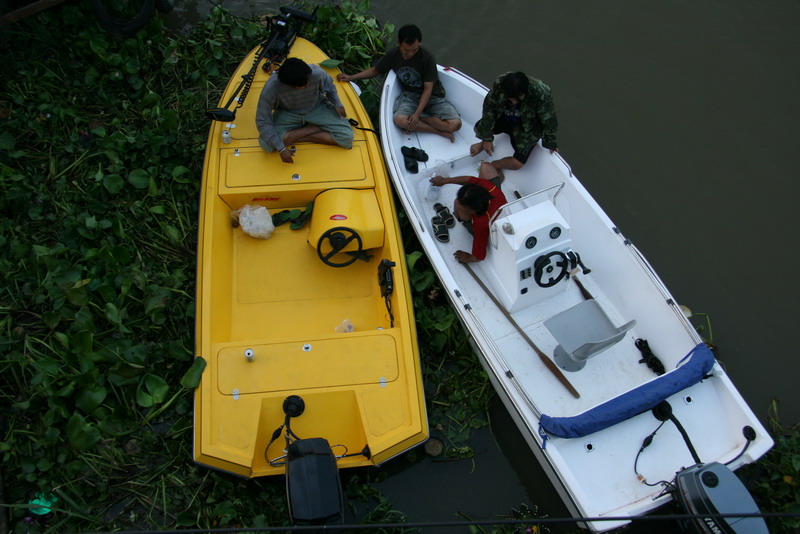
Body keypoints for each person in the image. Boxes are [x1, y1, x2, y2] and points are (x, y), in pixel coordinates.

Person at [337, 24, 461, 141]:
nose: (410, 54)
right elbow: (375, 70)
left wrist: (417, 114)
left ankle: (421, 120)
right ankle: (437, 131)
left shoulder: (427, 57)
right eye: (406, 50)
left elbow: (428, 88)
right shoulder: (393, 55)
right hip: (410, 95)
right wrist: (351, 77)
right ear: (399, 43)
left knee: (455, 124)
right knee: (400, 120)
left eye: (414, 50)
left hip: (431, 96)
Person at [255, 57, 353, 164]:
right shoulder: (271, 88)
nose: (306, 85)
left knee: (347, 137)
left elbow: (330, 88)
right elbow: (263, 121)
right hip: (288, 113)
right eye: (301, 86)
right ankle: (313, 128)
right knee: (265, 144)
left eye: (307, 82)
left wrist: (337, 104)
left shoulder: (317, 73)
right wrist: (281, 149)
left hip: (317, 108)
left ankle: (295, 136)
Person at [470, 71, 559, 171]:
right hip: (504, 116)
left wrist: (551, 142)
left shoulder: (541, 92)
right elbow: (489, 109)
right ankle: (484, 144)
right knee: (478, 128)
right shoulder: (500, 84)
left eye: (516, 99)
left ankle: (494, 165)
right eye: (510, 99)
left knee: (517, 164)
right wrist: (486, 139)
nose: (513, 102)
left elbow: (549, 119)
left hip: (527, 127)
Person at [429, 162, 507, 263]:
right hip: (499, 205)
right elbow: (469, 180)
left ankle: (462, 219)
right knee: (485, 167)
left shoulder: (480, 224)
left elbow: (478, 257)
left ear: (473, 210)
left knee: (457, 203)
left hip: (489, 225)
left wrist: (468, 258)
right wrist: (445, 180)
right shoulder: (490, 188)